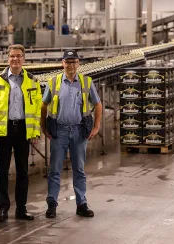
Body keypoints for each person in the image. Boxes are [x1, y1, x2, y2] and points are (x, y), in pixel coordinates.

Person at [40, 50, 102, 218]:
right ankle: (52, 204)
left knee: (79, 170)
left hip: (79, 131)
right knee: (54, 170)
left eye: (74, 62)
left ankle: (81, 204)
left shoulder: (86, 82)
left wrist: (96, 127)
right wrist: (43, 127)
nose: (71, 65)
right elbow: (44, 106)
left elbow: (97, 105)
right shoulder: (53, 82)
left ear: (78, 63)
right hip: (58, 131)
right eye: (68, 62)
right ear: (63, 64)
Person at [0, 44, 42, 222]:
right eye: (12, 56)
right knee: (2, 171)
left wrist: (35, 133)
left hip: (23, 130)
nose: (15, 59)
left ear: (24, 58)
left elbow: (36, 110)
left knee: (23, 171)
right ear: (7, 58)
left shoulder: (32, 81)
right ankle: (3, 208)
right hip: (4, 130)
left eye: (18, 56)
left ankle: (21, 208)